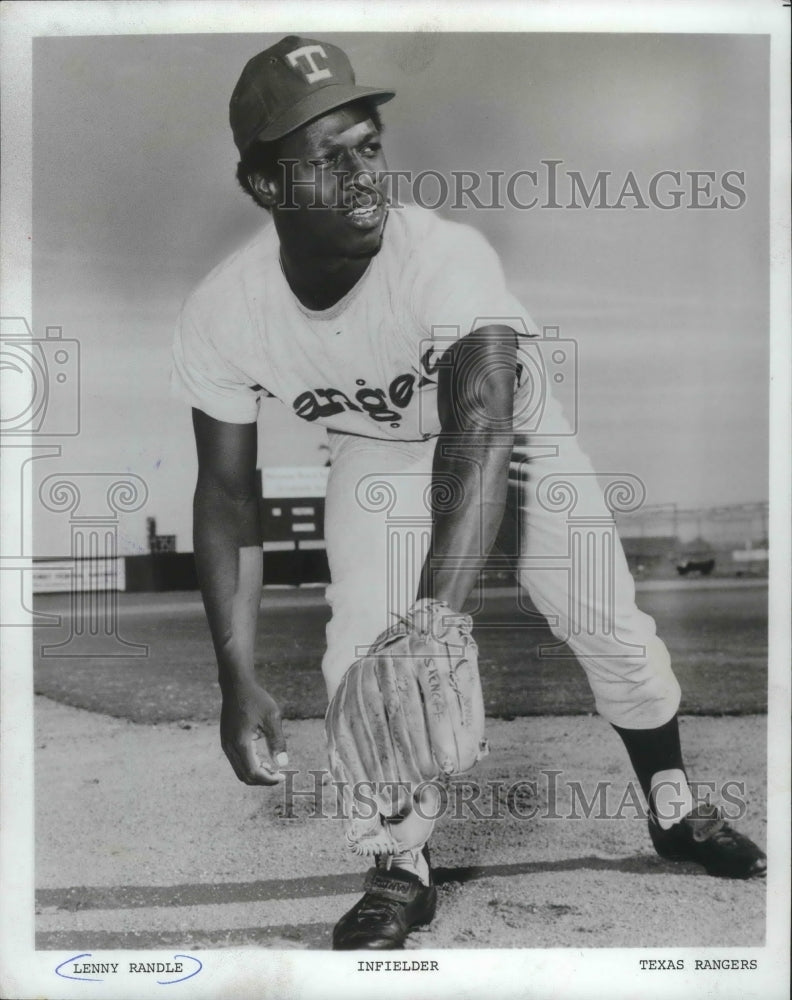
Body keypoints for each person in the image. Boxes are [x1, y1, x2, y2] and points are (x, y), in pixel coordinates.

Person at [171, 35, 766, 951]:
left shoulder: (444, 257)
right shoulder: (223, 311)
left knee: (613, 632)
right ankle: (398, 863)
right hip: (376, 454)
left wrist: (436, 627)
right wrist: (236, 673)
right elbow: (225, 494)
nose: (365, 175)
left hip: (513, 437)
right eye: (327, 160)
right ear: (264, 186)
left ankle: (674, 808)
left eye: (369, 145)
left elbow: (480, 431)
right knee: (358, 659)